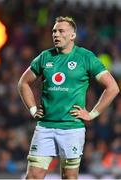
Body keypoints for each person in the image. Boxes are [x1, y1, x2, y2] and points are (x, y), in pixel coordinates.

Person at [17, 16, 119, 179]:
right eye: (54, 31)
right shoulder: (45, 57)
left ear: (72, 35)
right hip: (45, 127)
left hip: (72, 128)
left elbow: (112, 87)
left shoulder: (86, 57)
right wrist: (33, 109)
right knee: (33, 176)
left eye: (61, 31)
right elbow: (23, 83)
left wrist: (92, 114)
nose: (56, 34)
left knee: (69, 177)